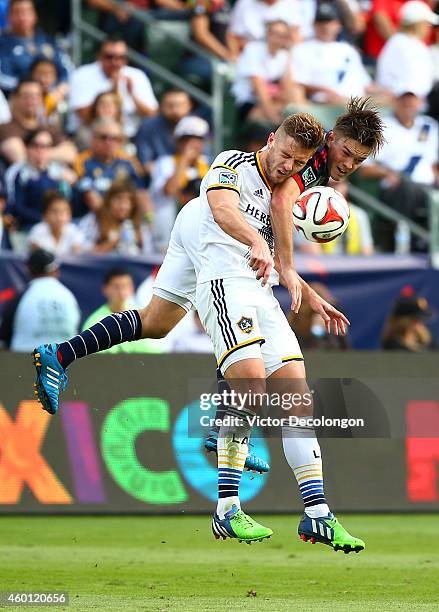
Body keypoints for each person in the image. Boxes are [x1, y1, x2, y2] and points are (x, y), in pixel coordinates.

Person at [32, 99, 384, 482]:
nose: (348, 164)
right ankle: (222, 426)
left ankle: (59, 353)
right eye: (346, 152)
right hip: (215, 227)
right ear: (332, 139)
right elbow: (281, 199)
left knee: (156, 322)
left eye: (358, 160)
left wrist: (299, 283)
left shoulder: (316, 161)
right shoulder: (307, 156)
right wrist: (282, 261)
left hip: (204, 225)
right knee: (236, 302)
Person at [359, 90, 438, 251]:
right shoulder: (382, 126)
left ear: (419, 104)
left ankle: (424, 245)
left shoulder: (429, 126)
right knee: (406, 187)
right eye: (404, 102)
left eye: (412, 102)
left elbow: (433, 163)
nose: (408, 106)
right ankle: (406, 244)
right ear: (396, 102)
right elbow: (365, 169)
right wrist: (388, 173)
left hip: (427, 186)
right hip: (396, 188)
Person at [69, 37, 159, 139]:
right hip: (93, 137)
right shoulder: (82, 74)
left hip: (132, 137)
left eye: (121, 57)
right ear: (99, 56)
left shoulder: (137, 75)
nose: (115, 62)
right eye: (109, 57)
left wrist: (132, 95)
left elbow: (153, 115)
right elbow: (84, 116)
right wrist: (112, 89)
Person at [289, 2, 373, 105]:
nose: (325, 26)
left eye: (329, 22)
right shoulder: (301, 49)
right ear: (313, 24)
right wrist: (325, 90)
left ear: (338, 25)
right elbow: (298, 84)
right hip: (324, 106)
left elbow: (366, 84)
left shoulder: (348, 49)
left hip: (357, 104)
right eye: (321, 22)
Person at [149, 115, 210, 253]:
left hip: (197, 235)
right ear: (178, 141)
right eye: (187, 139)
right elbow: (169, 190)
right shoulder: (165, 163)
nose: (194, 144)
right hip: (167, 233)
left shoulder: (206, 165)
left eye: (198, 139)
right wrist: (185, 159)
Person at [0, 248, 80, 352]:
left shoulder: (22, 297)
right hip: (63, 364)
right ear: (56, 270)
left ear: (28, 270)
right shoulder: (69, 297)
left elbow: (4, 337)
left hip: (23, 362)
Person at [74, 118, 149, 219]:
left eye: (115, 139)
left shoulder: (128, 163)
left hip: (124, 220)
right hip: (92, 220)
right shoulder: (82, 161)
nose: (109, 142)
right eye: (103, 137)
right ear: (92, 139)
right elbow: (90, 197)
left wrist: (149, 218)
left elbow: (141, 193)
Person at [5, 128, 76, 235]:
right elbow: (15, 206)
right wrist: (44, 220)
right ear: (27, 147)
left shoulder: (59, 173)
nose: (41, 150)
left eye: (46, 146)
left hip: (59, 226)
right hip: (29, 227)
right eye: (36, 145)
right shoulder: (18, 173)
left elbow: (67, 201)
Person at [82, 267, 163, 355]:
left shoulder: (143, 317)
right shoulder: (94, 322)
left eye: (125, 286)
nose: (121, 292)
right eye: (116, 287)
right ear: (105, 289)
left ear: (132, 288)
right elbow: (93, 358)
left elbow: (154, 351)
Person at [232, 20, 297, 125]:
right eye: (274, 33)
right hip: (248, 103)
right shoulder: (252, 49)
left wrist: (289, 53)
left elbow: (288, 90)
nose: (277, 37)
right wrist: (275, 120)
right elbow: (258, 89)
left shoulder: (284, 55)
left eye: (282, 35)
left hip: (273, 103)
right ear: (267, 33)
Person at [0, 0, 71, 95]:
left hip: (53, 98)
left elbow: (66, 69)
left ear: (34, 14)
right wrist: (31, 89)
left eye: (26, 12)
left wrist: (60, 88)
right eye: (17, 12)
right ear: (8, 16)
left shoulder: (47, 40)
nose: (22, 17)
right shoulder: (3, 44)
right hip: (16, 99)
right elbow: (4, 79)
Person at [0, 79, 76, 166]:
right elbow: (20, 159)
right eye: (26, 96)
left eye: (36, 96)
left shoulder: (51, 127)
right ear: (14, 98)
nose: (32, 100)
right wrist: (54, 153)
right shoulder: (5, 128)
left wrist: (37, 154)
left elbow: (70, 154)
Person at [376, 1, 438, 99]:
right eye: (426, 23)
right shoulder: (400, 43)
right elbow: (409, 82)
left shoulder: (412, 43)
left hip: (418, 102)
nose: (428, 28)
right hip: (405, 103)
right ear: (417, 24)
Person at [79, 180, 153, 255]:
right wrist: (110, 244)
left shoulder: (140, 225)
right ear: (109, 200)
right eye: (118, 199)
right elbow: (82, 254)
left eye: (128, 201)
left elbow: (149, 255)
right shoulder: (94, 220)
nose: (123, 206)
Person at [134, 88, 194, 174]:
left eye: (180, 105)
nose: (175, 110)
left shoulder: (198, 126)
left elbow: (206, 160)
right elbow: (146, 164)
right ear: (161, 106)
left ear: (189, 106)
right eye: (170, 105)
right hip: (157, 178)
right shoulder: (148, 126)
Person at [27, 190, 85, 256]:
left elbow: (77, 255)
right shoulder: (37, 231)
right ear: (45, 215)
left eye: (64, 212)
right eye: (54, 212)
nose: (59, 217)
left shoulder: (74, 231)